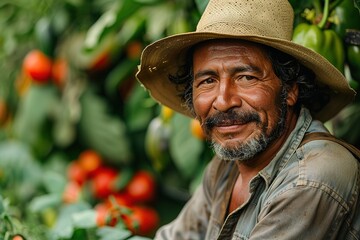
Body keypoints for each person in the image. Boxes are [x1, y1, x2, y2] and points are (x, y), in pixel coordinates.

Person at [136, 0, 360, 239]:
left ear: (291, 89)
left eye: (246, 77)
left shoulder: (313, 176)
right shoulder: (226, 167)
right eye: (208, 81)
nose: (223, 101)